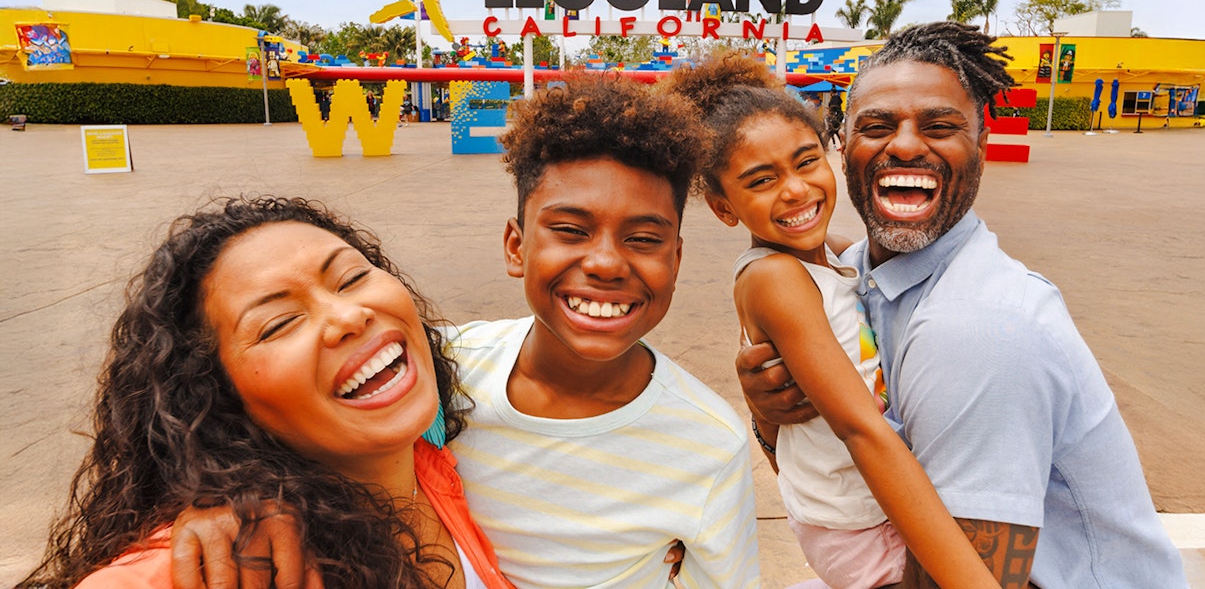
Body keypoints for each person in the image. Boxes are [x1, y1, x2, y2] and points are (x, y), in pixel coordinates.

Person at [171, 78, 761, 588]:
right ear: (516, 246)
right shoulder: (435, 372)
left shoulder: (707, 444)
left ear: (677, 260)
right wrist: (224, 495)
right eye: (571, 230)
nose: (606, 263)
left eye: (643, 238)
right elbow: (299, 430)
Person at [738, 22, 1187, 588]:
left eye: (940, 126)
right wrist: (773, 416)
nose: (904, 144)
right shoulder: (850, 278)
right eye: (876, 126)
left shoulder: (981, 330)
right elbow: (837, 494)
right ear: (843, 146)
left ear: (981, 144)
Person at [19, 196, 512, 589]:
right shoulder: (222, 565)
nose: (347, 316)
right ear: (214, 397)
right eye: (278, 324)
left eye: (352, 277)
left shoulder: (430, 455)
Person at [664, 52, 998, 589]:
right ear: (724, 208)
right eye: (760, 180)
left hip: (871, 502)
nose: (795, 189)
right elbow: (857, 425)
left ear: (832, 155)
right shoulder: (774, 277)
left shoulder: (837, 255)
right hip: (854, 525)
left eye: (805, 160)